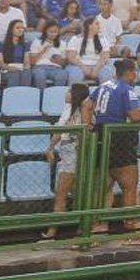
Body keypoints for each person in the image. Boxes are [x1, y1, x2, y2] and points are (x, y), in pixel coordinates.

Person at [91, 59, 140, 244]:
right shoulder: (127, 90)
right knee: (129, 187)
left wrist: (89, 126)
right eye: (134, 72)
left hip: (101, 137)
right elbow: (135, 116)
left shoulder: (104, 86)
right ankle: (131, 232)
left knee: (103, 188)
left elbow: (87, 104)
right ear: (130, 73)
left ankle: (96, 231)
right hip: (121, 139)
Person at [43, 83, 91, 239]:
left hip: (73, 152)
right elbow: (60, 131)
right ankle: (81, 228)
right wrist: (50, 148)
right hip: (68, 151)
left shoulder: (80, 111)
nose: (67, 92)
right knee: (73, 192)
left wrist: (50, 148)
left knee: (61, 193)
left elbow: (66, 131)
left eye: (70, 90)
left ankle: (53, 232)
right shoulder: (70, 109)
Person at [29, 21, 78, 89]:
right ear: (45, 31)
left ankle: (56, 95)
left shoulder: (62, 43)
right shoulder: (37, 42)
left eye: (55, 32)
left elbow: (65, 63)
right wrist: (43, 51)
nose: (52, 34)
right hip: (40, 67)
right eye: (50, 31)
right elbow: (32, 61)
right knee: (39, 75)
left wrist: (59, 61)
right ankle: (41, 95)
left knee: (63, 74)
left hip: (56, 68)